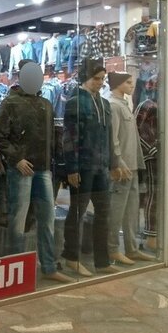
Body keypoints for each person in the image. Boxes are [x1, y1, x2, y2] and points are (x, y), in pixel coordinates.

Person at [0, 60, 71, 282]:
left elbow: (52, 136)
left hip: (43, 169)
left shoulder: (45, 103)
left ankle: (48, 266)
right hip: (22, 169)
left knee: (47, 219)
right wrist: (16, 159)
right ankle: (16, 271)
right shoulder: (10, 102)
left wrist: (55, 163)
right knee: (18, 221)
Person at [62, 59, 114, 275]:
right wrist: (72, 168)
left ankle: (102, 260)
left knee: (104, 212)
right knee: (77, 211)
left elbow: (108, 136)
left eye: (102, 79)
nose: (100, 83)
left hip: (101, 166)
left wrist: (112, 163)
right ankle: (71, 257)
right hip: (83, 166)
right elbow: (69, 137)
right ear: (85, 77)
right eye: (96, 78)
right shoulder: (75, 102)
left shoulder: (105, 104)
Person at [107, 72, 150, 264]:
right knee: (117, 210)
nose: (132, 85)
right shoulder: (113, 105)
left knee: (132, 210)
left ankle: (132, 248)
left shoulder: (124, 104)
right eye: (128, 82)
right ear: (118, 84)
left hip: (132, 165)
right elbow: (113, 138)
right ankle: (112, 249)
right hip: (122, 167)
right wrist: (118, 161)